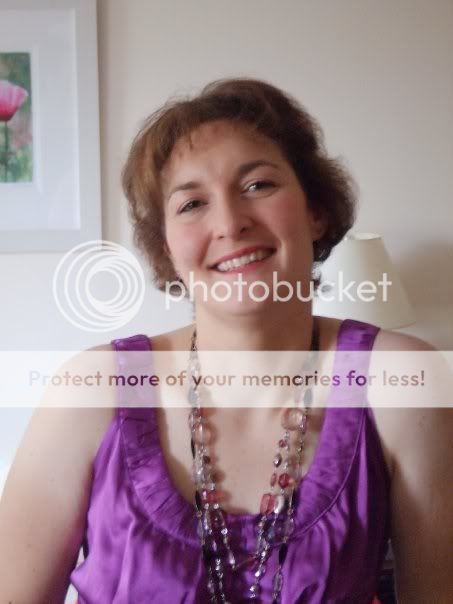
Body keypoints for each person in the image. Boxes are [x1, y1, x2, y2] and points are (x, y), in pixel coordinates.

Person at [0, 78, 452, 604]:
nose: (230, 223)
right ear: (166, 248)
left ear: (316, 210)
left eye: (258, 185)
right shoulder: (92, 388)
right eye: (192, 203)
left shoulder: (404, 380)